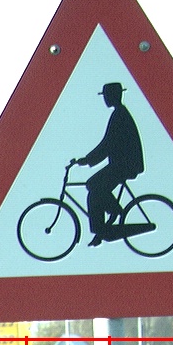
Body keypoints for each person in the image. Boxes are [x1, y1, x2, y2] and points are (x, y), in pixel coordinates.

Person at [76, 82, 144, 247]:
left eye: (107, 96)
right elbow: (108, 143)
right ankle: (101, 230)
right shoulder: (119, 113)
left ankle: (114, 212)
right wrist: (88, 159)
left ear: (114, 96)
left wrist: (87, 160)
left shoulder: (120, 115)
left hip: (125, 165)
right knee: (94, 187)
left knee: (93, 185)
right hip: (123, 164)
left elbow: (108, 144)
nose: (105, 99)